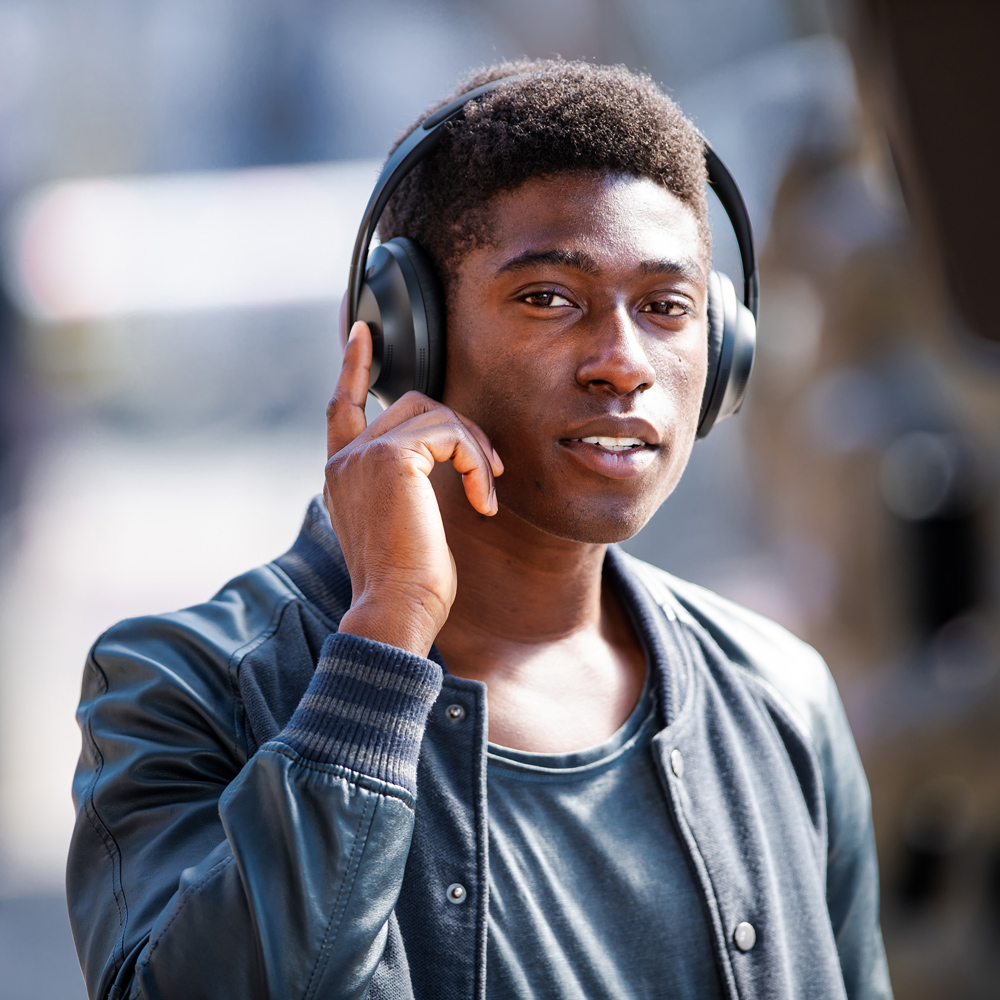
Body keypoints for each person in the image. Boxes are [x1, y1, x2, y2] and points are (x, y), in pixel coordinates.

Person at [68, 60, 893, 1000]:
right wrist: (385, 638)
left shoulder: (781, 695)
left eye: (667, 308)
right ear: (399, 333)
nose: (624, 364)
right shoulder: (180, 686)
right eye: (549, 297)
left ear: (723, 351)